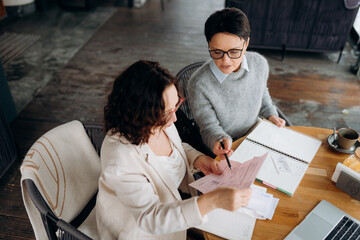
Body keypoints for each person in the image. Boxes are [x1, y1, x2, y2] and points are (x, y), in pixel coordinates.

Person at [95, 60, 252, 240]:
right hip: (141, 231)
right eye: (167, 112)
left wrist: (197, 159)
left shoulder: (158, 121)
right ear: (141, 113)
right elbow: (150, 218)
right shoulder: (120, 158)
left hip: (178, 207)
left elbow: (175, 148)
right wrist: (213, 201)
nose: (175, 118)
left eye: (176, 105)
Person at [187, 8, 286, 158]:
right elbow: (208, 127)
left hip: (256, 134)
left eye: (234, 52)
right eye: (217, 52)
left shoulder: (259, 63)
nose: (225, 61)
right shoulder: (198, 84)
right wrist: (219, 140)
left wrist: (270, 113)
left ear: (246, 44)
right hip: (226, 147)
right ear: (209, 45)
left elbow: (262, 92)